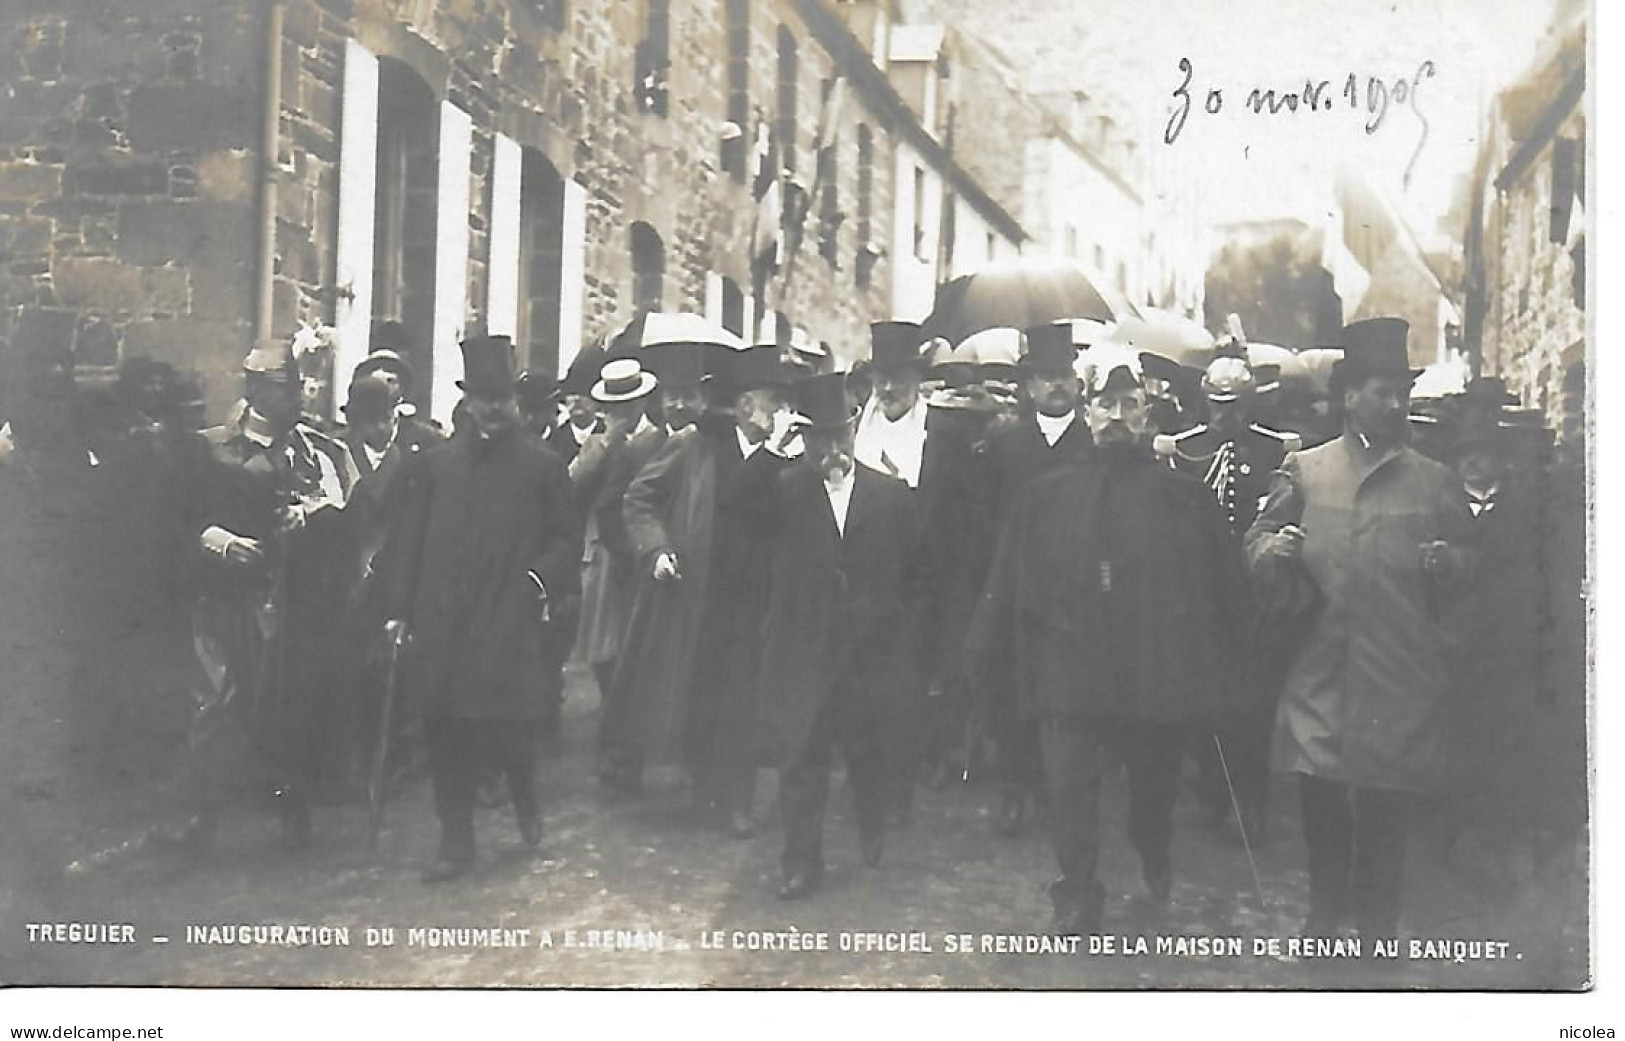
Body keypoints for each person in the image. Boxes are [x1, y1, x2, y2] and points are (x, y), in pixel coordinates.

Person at [966, 348, 1252, 934]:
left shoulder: (1182, 499)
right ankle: (1077, 889)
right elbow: (1006, 578)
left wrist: (1219, 664)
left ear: (1148, 414)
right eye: (1105, 404)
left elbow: (1222, 589)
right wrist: (982, 647)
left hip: (1151, 671)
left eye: (1129, 404)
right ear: (1086, 410)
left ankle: (1154, 847)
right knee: (1067, 785)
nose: (1116, 416)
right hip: (1068, 667)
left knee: (1153, 785)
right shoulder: (1044, 496)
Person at [1245, 317, 1473, 942]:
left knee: (1384, 805)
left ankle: (1376, 925)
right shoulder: (1305, 470)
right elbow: (1255, 540)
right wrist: (1275, 549)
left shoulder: (1434, 480)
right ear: (1350, 397)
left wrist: (1448, 561)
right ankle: (1323, 912)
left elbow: (1472, 562)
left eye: (1401, 392)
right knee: (1319, 796)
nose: (1395, 403)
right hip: (1320, 664)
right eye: (1382, 391)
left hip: (1399, 672)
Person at [384, 334, 580, 883]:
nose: (493, 408)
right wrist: (400, 609)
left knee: (510, 730)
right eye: (482, 396)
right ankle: (456, 843)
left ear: (515, 400)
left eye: (502, 397)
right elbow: (409, 542)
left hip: (509, 618)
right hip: (444, 620)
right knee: (445, 731)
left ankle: (525, 800)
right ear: (468, 400)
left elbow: (568, 539)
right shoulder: (437, 465)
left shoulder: (542, 466)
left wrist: (536, 581)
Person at [154, 338, 358, 854]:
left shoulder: (312, 450)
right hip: (225, 597)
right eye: (287, 389)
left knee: (279, 703)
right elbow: (178, 517)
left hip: (290, 598)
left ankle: (290, 806)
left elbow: (345, 505)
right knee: (213, 700)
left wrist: (308, 516)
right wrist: (219, 542)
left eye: (296, 389)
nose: (299, 399)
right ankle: (196, 816)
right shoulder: (212, 448)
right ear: (259, 390)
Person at [610, 344, 795, 824]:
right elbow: (639, 498)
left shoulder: (790, 457)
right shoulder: (697, 446)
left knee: (745, 697)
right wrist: (656, 548)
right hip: (702, 591)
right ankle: (705, 786)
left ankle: (737, 801)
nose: (783, 413)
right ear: (747, 406)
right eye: (774, 402)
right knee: (700, 693)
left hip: (761, 595)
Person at [757, 372, 926, 899]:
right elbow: (738, 514)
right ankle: (801, 862)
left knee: (867, 749)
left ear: (854, 431)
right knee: (801, 753)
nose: (831, 450)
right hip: (805, 647)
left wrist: (891, 626)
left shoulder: (890, 494)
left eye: (839, 436)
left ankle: (872, 825)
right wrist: (770, 450)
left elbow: (917, 570)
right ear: (803, 439)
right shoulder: (784, 491)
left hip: (868, 649)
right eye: (818, 439)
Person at [1156, 351, 1302, 846]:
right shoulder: (1183, 448)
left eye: (1235, 406)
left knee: (1252, 703)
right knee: (1201, 698)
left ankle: (1251, 800)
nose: (1226, 416)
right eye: (1218, 405)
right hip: (1198, 591)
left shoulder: (1275, 451)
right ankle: (1213, 792)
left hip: (1253, 593)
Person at [973, 323, 1093, 837]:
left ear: (1077, 383)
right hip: (1016, 586)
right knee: (1011, 690)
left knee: (1065, 697)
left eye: (1064, 375)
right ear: (1028, 387)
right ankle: (1014, 788)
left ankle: (1054, 792)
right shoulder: (1005, 444)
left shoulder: (1091, 444)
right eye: (1046, 377)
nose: (1056, 386)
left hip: (1075, 592)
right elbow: (982, 518)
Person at [569, 356, 666, 790]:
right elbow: (575, 490)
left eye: (627, 405)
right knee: (608, 657)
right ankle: (615, 749)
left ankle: (627, 753)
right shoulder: (605, 442)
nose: (619, 414)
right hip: (610, 555)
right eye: (614, 406)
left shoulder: (658, 439)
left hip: (639, 550)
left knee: (636, 656)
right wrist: (605, 445)